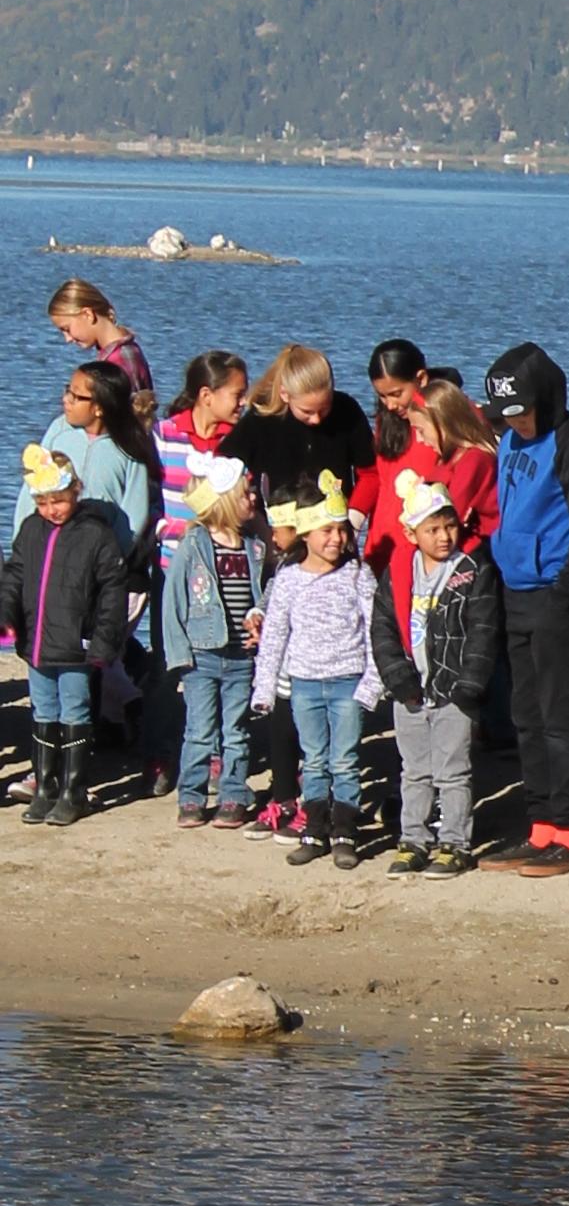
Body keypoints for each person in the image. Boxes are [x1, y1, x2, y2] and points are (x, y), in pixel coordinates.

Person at [482, 342, 569, 877]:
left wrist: (564, 594)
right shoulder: (509, 440)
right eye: (505, 414)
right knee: (527, 715)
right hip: (516, 591)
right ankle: (540, 825)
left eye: (522, 411)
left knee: (561, 715)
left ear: (545, 398)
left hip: (560, 596)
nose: (515, 422)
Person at [249, 473, 383, 869]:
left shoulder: (358, 575)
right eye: (327, 530)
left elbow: (376, 631)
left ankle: (345, 832)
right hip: (304, 686)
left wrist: (372, 684)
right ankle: (314, 830)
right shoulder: (288, 579)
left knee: (344, 761)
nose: (336, 538)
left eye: (342, 530)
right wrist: (264, 689)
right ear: (305, 534)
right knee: (314, 760)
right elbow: (275, 635)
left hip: (347, 684)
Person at [370, 471, 500, 877]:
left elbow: (483, 630)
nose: (444, 536)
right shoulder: (399, 571)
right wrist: (397, 677)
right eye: (433, 529)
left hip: (454, 692)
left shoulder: (472, 570)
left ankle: (455, 842)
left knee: (453, 772)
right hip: (410, 691)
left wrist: (469, 686)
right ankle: (413, 839)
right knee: (414, 771)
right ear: (411, 533)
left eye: (450, 526)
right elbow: (383, 628)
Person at [1, 446, 127, 827]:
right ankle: (45, 787)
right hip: (37, 644)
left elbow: (113, 592)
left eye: (57, 500)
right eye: (42, 502)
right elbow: (14, 576)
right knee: (43, 712)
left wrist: (104, 642)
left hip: (77, 646)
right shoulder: (31, 530)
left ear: (75, 490)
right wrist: (6, 616)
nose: (50, 509)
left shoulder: (96, 534)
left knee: (74, 712)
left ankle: (74, 792)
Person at [159, 458, 267, 830]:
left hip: (242, 657)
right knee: (200, 731)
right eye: (246, 493)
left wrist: (261, 622)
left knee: (236, 731)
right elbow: (173, 602)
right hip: (202, 655)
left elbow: (264, 595)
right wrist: (179, 655)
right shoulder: (194, 545)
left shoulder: (254, 548)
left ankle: (232, 793)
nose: (253, 498)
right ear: (225, 501)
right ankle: (191, 795)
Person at [366, 372, 496, 636]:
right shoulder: (448, 460)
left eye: (422, 431)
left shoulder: (473, 460)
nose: (421, 440)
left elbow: (448, 514)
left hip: (478, 556)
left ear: (443, 425)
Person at [220, 346, 377, 527]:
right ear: (285, 395)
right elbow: (223, 469)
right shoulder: (261, 420)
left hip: (333, 529)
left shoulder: (346, 410)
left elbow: (370, 473)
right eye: (307, 411)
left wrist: (354, 518)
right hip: (277, 531)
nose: (316, 419)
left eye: (324, 408)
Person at [15, 360, 155, 548]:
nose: (66, 399)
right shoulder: (58, 430)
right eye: (67, 391)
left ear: (99, 408)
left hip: (98, 552)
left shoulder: (129, 446)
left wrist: (115, 555)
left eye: (75, 396)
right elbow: (31, 490)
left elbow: (135, 513)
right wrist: (20, 544)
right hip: (48, 546)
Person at [153, 350, 248, 564]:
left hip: (222, 562)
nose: (244, 402)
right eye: (238, 395)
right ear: (206, 396)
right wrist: (168, 530)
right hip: (170, 560)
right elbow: (148, 497)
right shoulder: (164, 435)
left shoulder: (239, 441)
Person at [48, 278, 151, 405]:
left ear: (88, 315)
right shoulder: (123, 351)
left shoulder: (119, 362)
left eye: (67, 329)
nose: (67, 339)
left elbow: (125, 413)